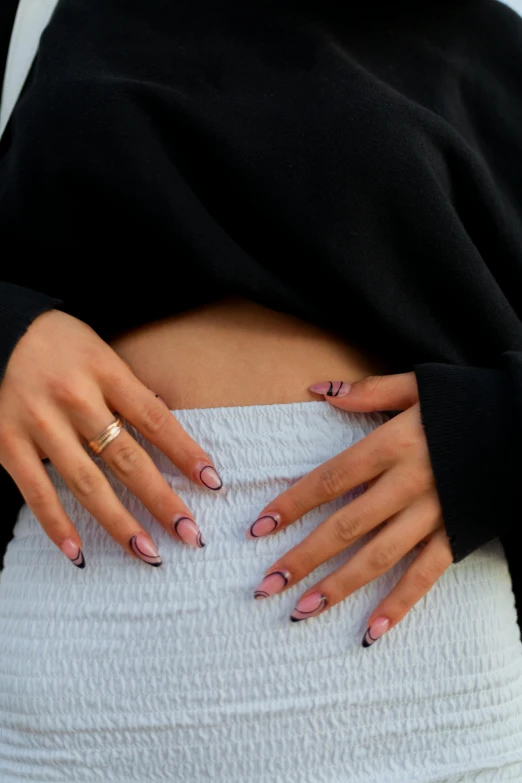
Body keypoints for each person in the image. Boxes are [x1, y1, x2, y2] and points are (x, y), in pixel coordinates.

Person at [1, 0, 522, 780]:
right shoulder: (86, 26)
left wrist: (495, 432)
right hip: (87, 667)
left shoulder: (484, 46)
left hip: (417, 679)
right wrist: (8, 335)